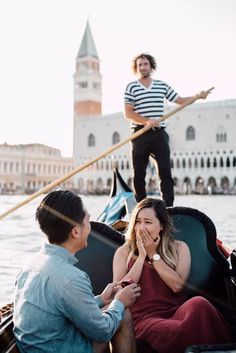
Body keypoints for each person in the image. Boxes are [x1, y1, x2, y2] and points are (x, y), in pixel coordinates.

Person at [13, 190, 141, 353]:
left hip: (41, 346)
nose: (90, 224)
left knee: (111, 308)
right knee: (122, 314)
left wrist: (101, 299)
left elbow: (62, 306)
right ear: (75, 232)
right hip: (59, 348)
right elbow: (102, 332)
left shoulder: (31, 263)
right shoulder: (72, 278)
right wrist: (120, 302)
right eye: (88, 219)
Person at [113, 197, 233, 353]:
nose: (141, 227)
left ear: (161, 226)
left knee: (199, 303)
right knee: (173, 329)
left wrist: (153, 254)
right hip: (144, 318)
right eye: (138, 221)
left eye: (148, 222)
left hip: (176, 310)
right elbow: (119, 291)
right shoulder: (123, 252)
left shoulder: (180, 248)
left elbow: (177, 286)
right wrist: (142, 256)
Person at [124, 53, 212, 206]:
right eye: (140, 65)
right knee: (138, 174)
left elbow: (180, 101)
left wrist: (198, 96)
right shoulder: (131, 87)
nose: (143, 67)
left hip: (159, 134)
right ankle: (141, 207)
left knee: (165, 172)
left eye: (145, 64)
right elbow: (128, 113)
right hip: (139, 134)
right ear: (136, 68)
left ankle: (168, 207)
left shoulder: (161, 85)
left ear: (151, 66)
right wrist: (146, 121)